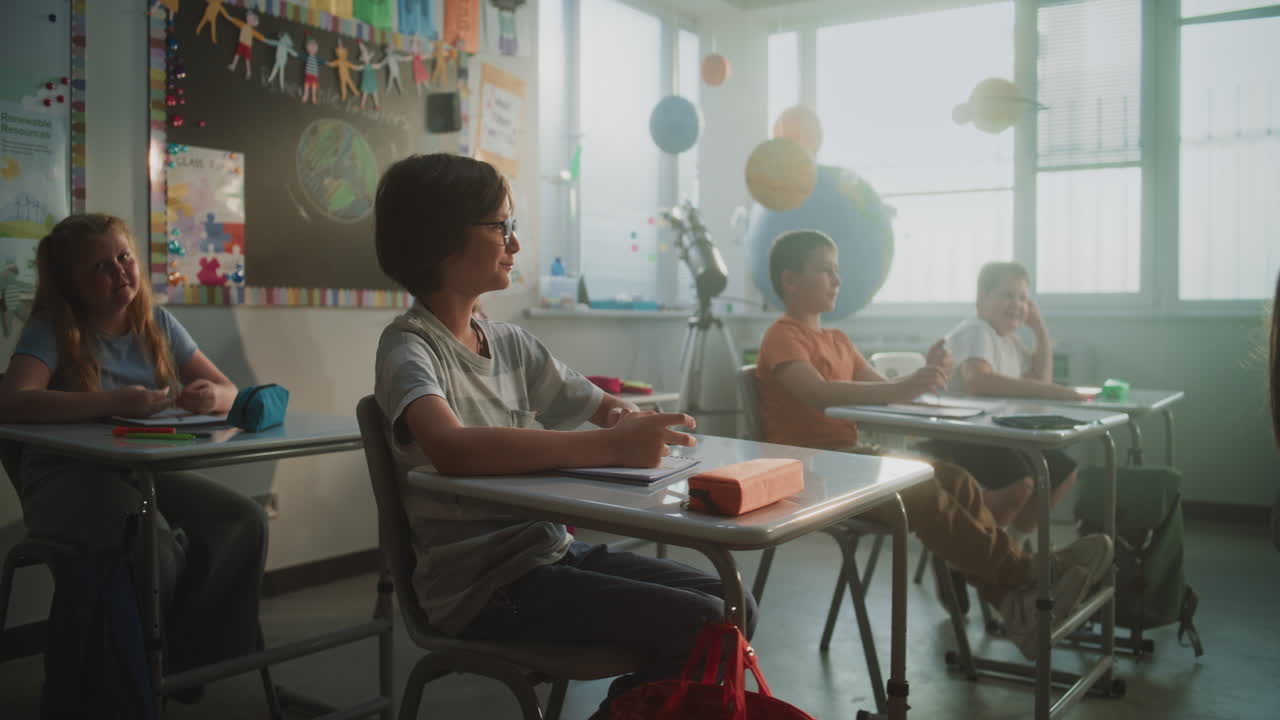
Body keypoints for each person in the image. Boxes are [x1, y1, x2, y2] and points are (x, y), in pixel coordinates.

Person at [372, 153, 756, 715]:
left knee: (734, 604)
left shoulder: (511, 343)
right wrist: (609, 444)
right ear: (442, 239)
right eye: (501, 227)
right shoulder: (409, 348)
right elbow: (450, 447)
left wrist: (628, 423)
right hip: (480, 588)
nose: (515, 243)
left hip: (549, 554)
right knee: (701, 622)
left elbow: (602, 409)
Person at [754, 230, 1112, 659]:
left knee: (956, 480)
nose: (837, 280)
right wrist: (905, 386)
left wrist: (926, 372)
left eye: (837, 271)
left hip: (848, 462)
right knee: (920, 488)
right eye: (825, 270)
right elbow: (817, 393)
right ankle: (1030, 573)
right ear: (790, 280)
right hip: (808, 472)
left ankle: (1015, 604)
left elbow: (886, 391)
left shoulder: (839, 341)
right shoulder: (782, 336)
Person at [0, 213, 267, 683]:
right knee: (152, 538)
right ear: (71, 284)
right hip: (64, 478)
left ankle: (186, 661)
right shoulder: (54, 327)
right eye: (101, 267)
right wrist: (112, 402)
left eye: (124, 258)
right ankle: (143, 665)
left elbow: (229, 391)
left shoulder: (157, 322)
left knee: (242, 520)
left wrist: (212, 395)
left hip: (138, 472)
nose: (120, 272)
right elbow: (12, 401)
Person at [930, 262, 1081, 535]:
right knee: (1020, 482)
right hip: (960, 434)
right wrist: (1051, 390)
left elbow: (1039, 382)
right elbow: (979, 381)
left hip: (997, 435)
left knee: (1063, 471)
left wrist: (1040, 331)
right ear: (981, 301)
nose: (1018, 304)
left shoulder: (1009, 340)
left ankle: (1013, 542)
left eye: (1023, 298)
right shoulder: (976, 329)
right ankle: (967, 539)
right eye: (1008, 295)